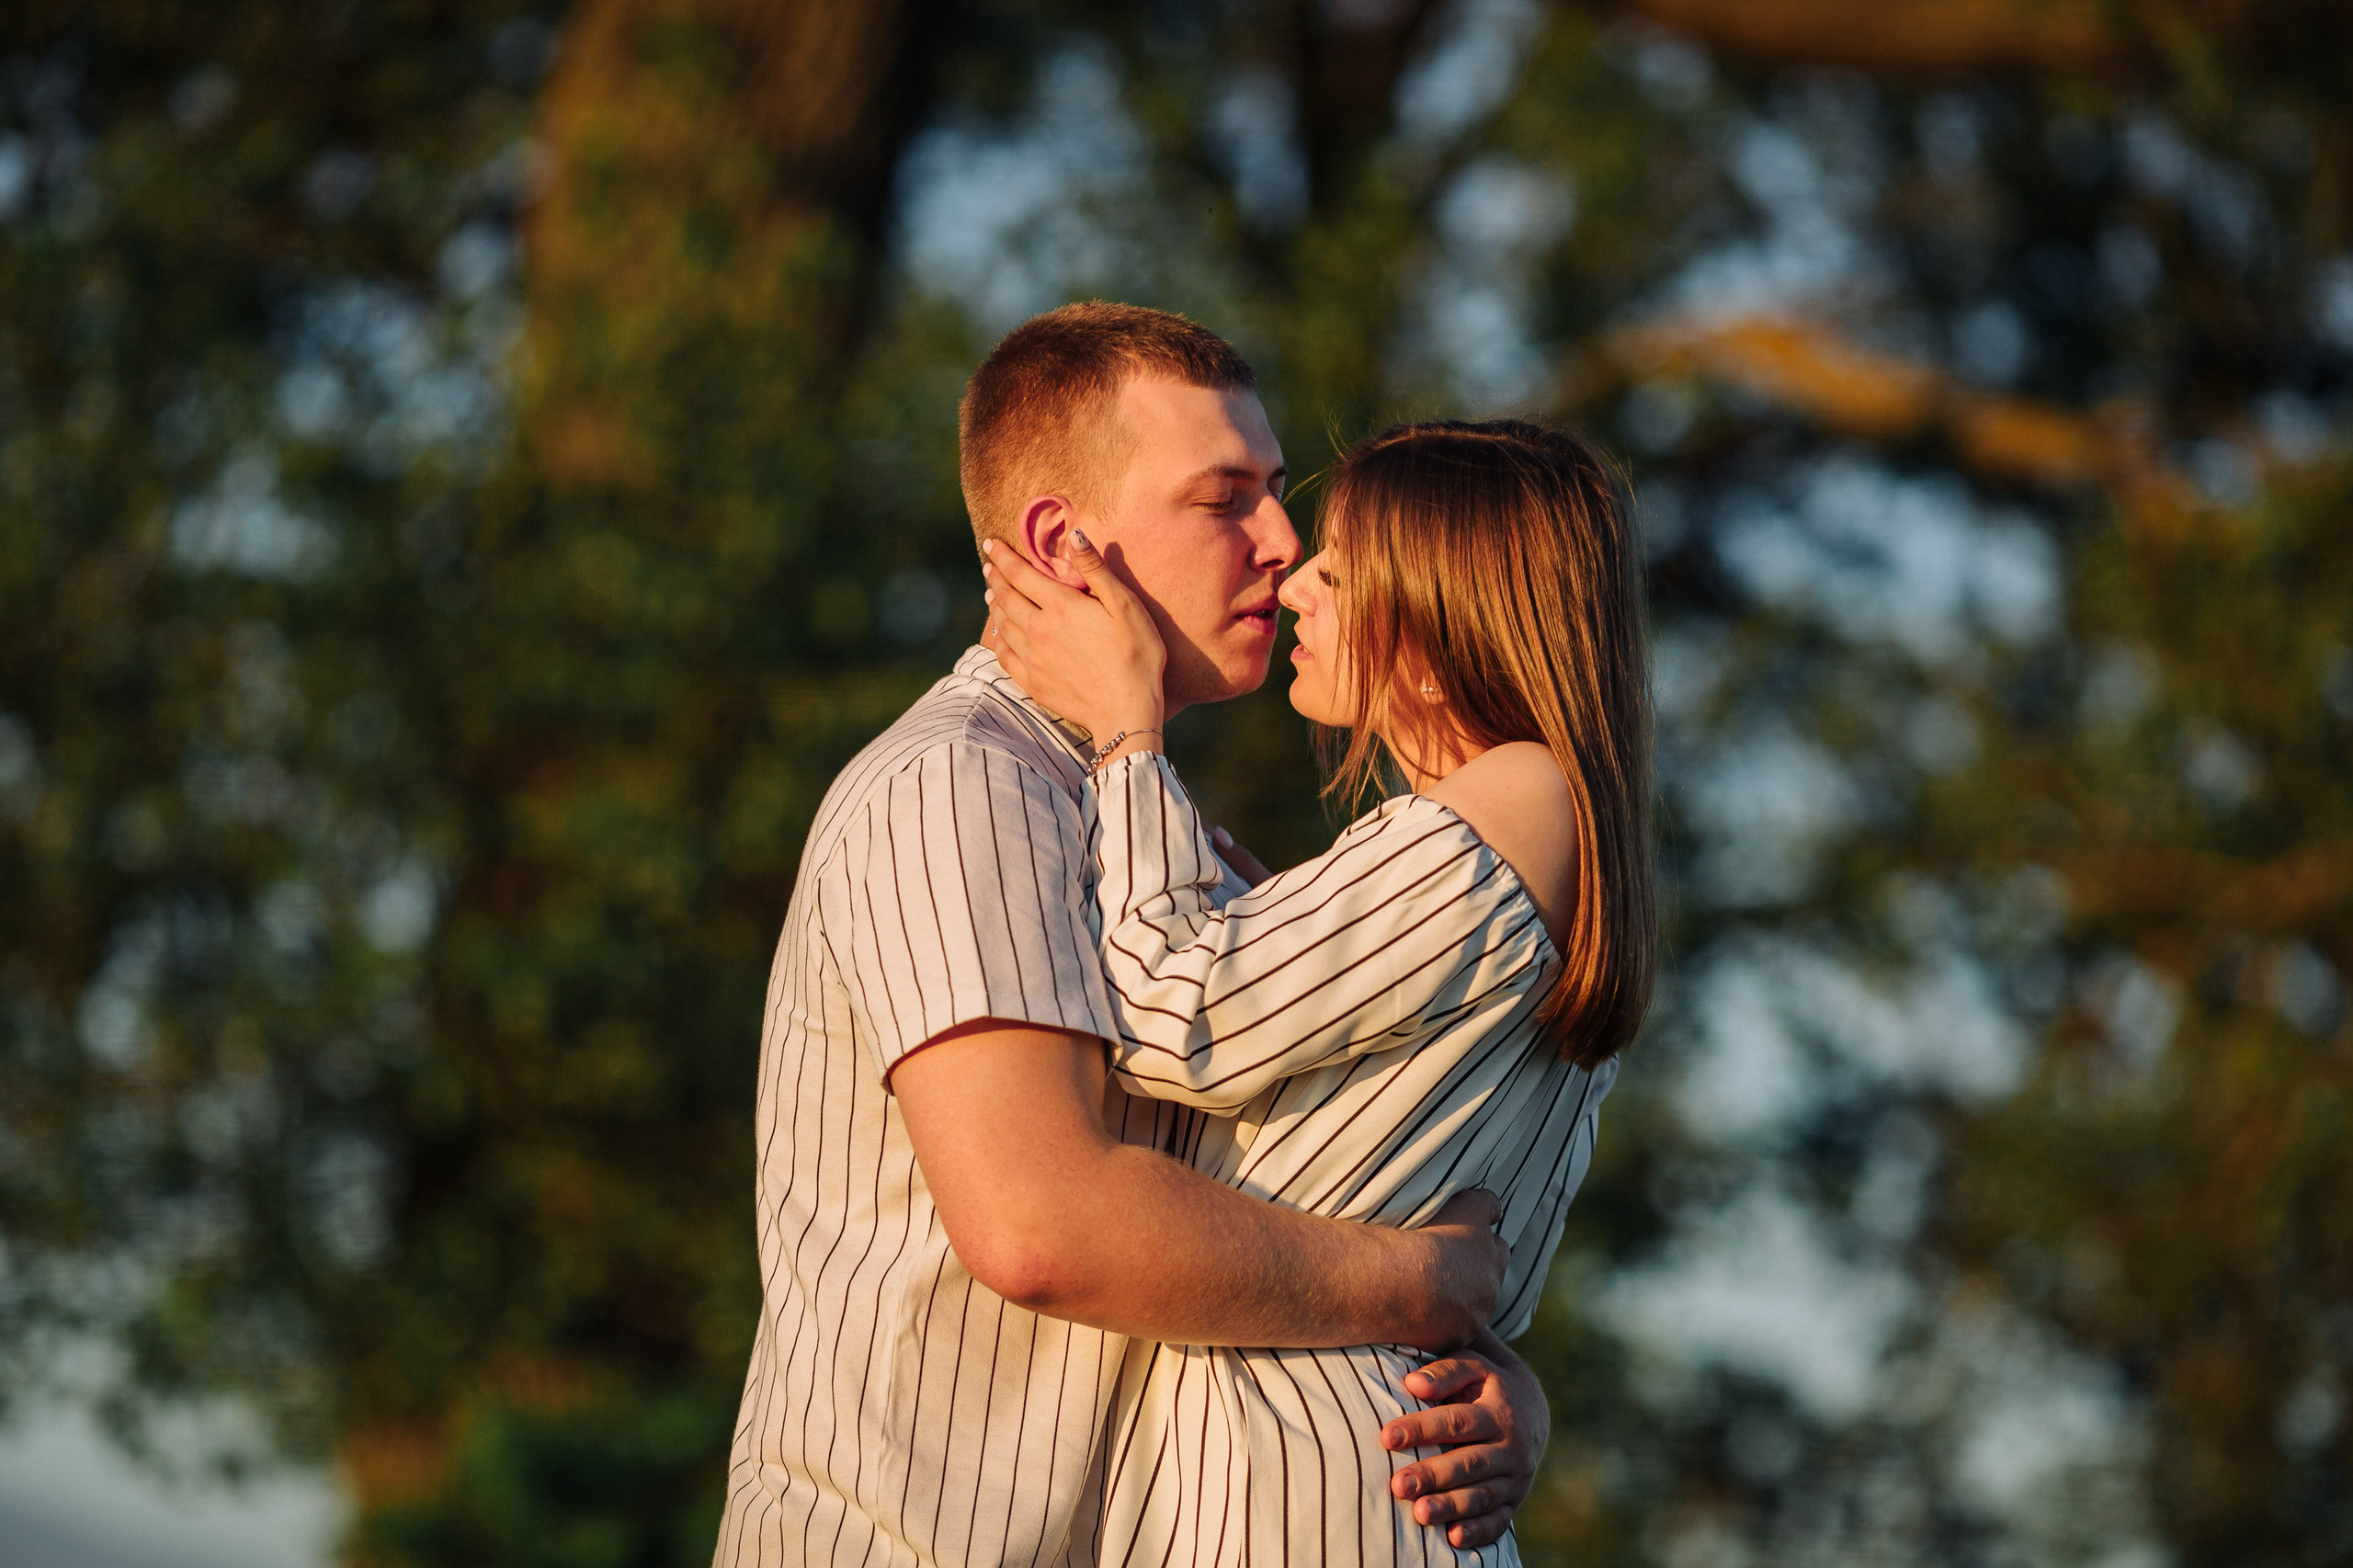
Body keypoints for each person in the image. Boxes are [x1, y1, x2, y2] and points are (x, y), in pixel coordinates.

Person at [712, 306, 1552, 1568]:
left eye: (1277, 493)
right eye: (1227, 499)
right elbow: (1044, 1228)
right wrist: (1419, 1287)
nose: (1282, 543)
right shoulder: (960, 790)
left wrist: (1494, 1386)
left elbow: (1299, 1206)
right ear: (1063, 544)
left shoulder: (1164, 837)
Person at [979, 416, 1654, 1565]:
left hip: (1306, 1492)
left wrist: (1127, 732)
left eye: (1342, 567)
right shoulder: (1516, 831)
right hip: (1352, 1482)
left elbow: (1169, 1015)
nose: (1297, 584)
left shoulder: (1511, 804)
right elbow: (1489, 1265)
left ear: (1440, 620)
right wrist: (1515, 1387)